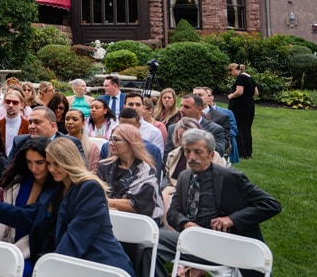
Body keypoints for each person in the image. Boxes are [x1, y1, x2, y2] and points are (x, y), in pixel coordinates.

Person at [157, 129, 281, 277]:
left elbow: (271, 204)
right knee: (146, 244)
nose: (191, 157)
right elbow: (173, 213)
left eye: (198, 152)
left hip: (224, 245)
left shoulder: (230, 178)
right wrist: (186, 224)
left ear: (211, 155)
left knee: (155, 237)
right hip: (194, 241)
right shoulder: (184, 176)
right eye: (187, 151)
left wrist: (232, 219)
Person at [44, 138, 136, 275]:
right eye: (48, 163)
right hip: (75, 264)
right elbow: (32, 213)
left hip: (103, 265)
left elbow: (77, 237)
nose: (51, 169)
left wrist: (52, 268)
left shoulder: (90, 188)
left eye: (56, 163)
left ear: (69, 161)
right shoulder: (59, 188)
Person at [0, 137, 60, 276]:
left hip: (34, 251)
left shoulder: (57, 189)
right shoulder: (17, 181)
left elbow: (30, 216)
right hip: (6, 243)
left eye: (39, 163)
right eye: (29, 162)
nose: (33, 168)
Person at [97, 124, 163, 277]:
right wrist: (113, 204)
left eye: (116, 140)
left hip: (138, 225)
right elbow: (97, 194)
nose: (110, 143)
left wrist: (110, 203)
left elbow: (140, 206)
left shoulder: (145, 171)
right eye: (111, 139)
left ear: (130, 143)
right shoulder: (105, 166)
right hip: (109, 220)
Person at [161, 118, 226, 212]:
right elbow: (169, 178)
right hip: (174, 191)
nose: (186, 139)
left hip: (201, 192)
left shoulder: (212, 156)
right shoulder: (173, 155)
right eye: (181, 136)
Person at [227, 63, 257, 159]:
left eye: (230, 72)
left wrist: (231, 96)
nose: (231, 74)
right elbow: (256, 92)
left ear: (233, 69)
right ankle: (248, 152)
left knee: (238, 127)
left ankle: (241, 152)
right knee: (247, 128)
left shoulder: (241, 78)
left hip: (239, 105)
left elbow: (239, 92)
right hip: (250, 104)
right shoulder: (250, 77)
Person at [0, 87, 30, 155]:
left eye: (15, 102)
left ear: (22, 105)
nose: (11, 105)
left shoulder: (28, 126)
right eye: (8, 102)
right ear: (4, 103)